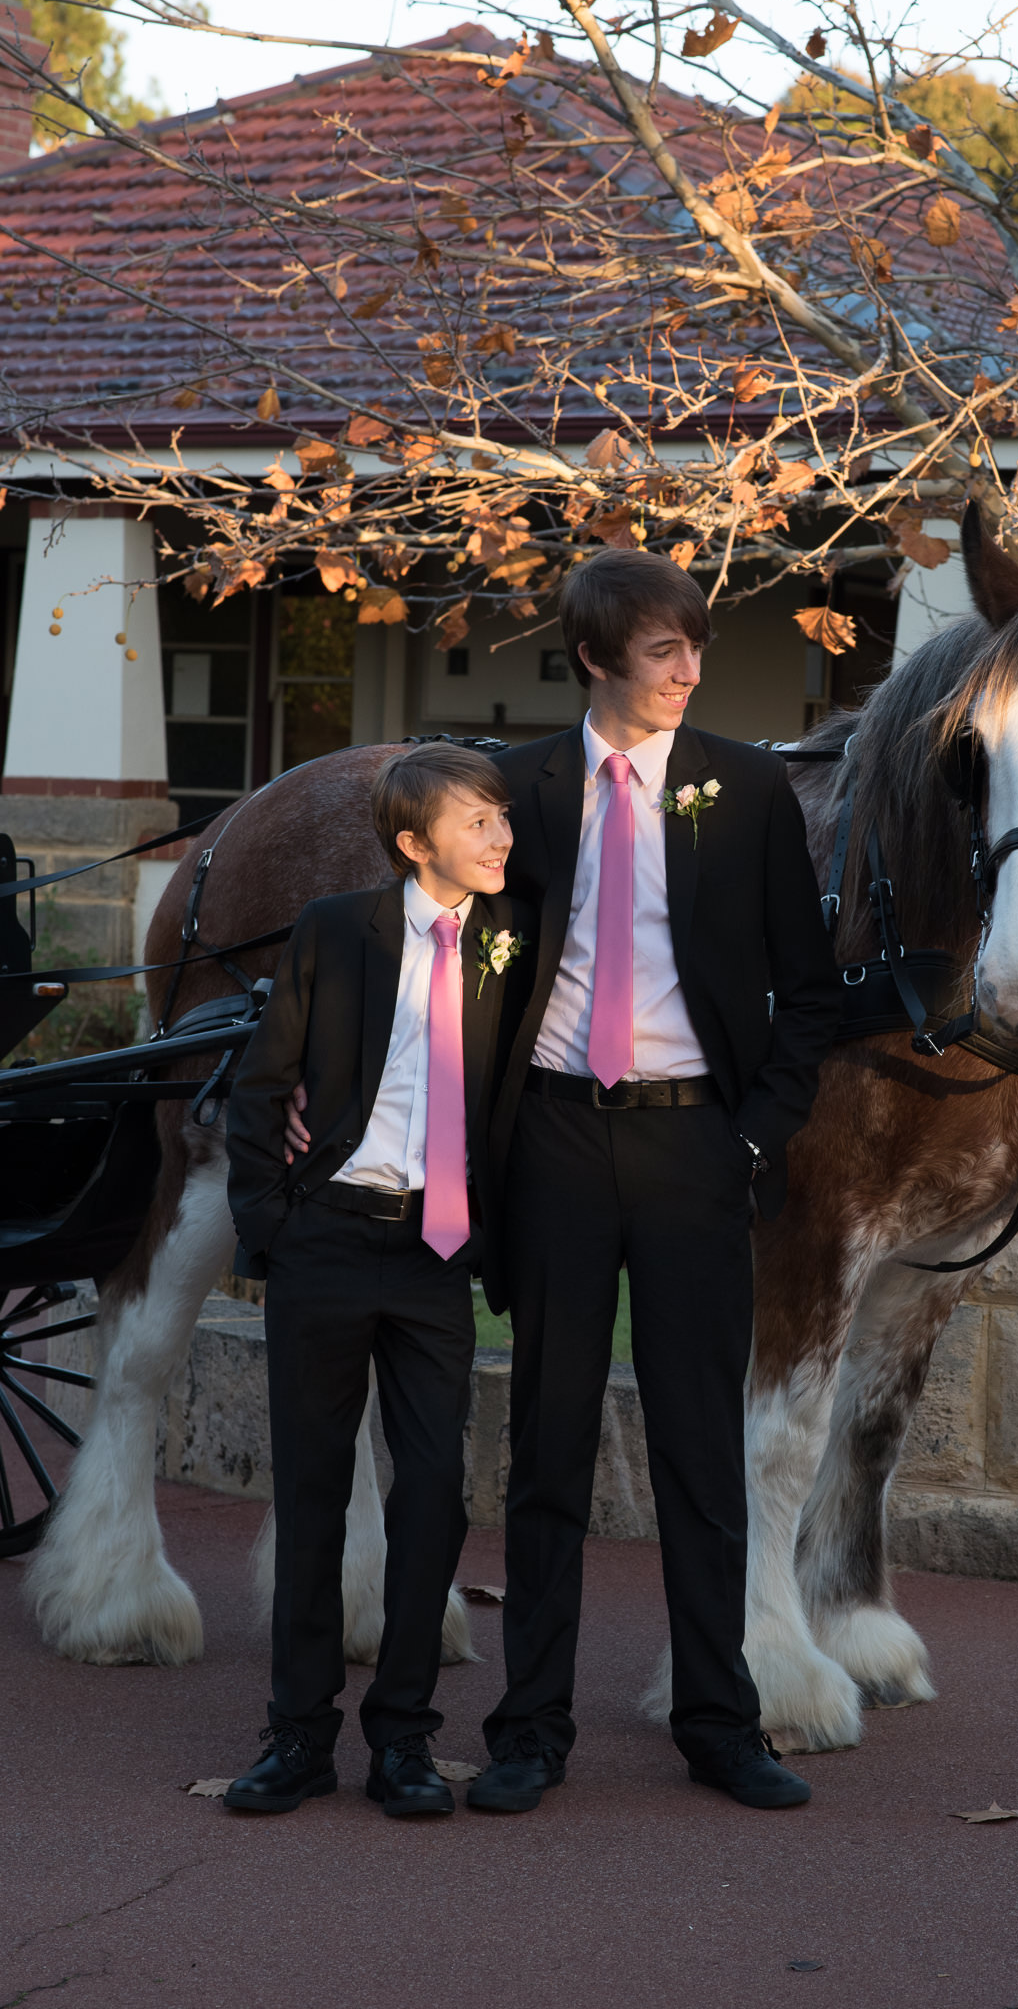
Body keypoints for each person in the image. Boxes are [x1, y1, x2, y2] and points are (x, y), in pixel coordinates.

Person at [468, 547, 842, 1814]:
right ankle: (529, 1729)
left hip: (697, 1148)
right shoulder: (514, 790)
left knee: (698, 1446)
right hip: (557, 1148)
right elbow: (465, 984)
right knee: (546, 1447)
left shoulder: (745, 790)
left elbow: (812, 992)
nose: (689, 670)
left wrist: (751, 1137)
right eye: (663, 650)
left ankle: (718, 1722)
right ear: (594, 659)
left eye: (696, 647)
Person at [223, 741, 531, 1818]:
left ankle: (402, 1737)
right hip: (328, 1238)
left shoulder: (514, 944)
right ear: (413, 843)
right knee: (313, 1494)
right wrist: (272, 1227)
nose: (500, 835)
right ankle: (297, 1736)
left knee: (435, 1495)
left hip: (437, 1253)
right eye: (477, 820)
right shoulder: (334, 931)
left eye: (501, 816)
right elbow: (262, 1087)